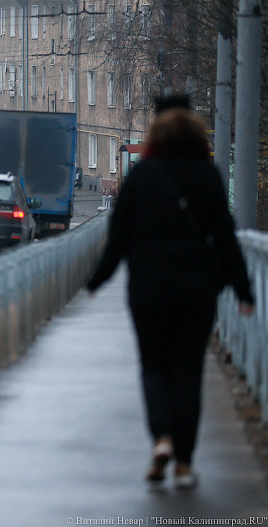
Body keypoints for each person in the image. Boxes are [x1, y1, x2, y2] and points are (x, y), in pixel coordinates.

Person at [86, 96, 255, 489]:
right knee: (187, 374)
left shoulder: (142, 177)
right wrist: (244, 290)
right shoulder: (207, 176)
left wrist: (97, 281)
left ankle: (161, 438)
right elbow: (226, 241)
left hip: (149, 290)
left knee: (153, 367)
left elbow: (119, 238)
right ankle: (183, 463)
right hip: (197, 292)